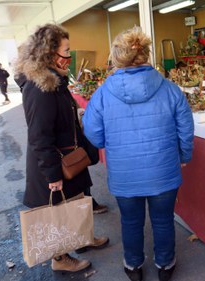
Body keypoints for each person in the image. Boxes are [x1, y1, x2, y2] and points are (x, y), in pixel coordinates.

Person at [82, 27, 194, 281]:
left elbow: (92, 131)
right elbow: (185, 128)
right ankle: (165, 264)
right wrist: (184, 155)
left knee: (131, 222)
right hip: (164, 169)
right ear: (144, 54)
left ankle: (133, 266)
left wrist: (110, 146)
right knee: (163, 220)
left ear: (117, 57)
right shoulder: (169, 88)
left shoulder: (102, 94)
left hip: (124, 173)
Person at [14, 24, 109, 273]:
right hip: (55, 162)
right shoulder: (40, 88)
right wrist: (52, 175)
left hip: (68, 154)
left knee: (76, 200)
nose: (69, 55)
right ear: (49, 52)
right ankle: (60, 258)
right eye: (66, 50)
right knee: (57, 209)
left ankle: (83, 237)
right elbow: (39, 137)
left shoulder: (54, 80)